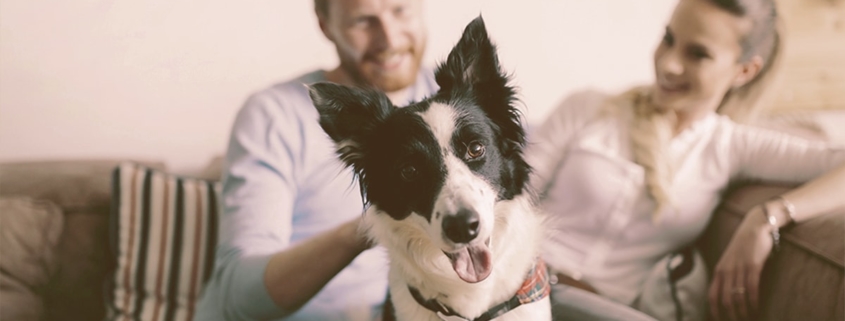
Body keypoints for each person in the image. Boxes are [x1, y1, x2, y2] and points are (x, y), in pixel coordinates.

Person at [526, 0, 845, 320]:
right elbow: (509, 198)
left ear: (745, 71)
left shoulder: (731, 147)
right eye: (668, 39)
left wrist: (769, 216)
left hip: (608, 311)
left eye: (698, 54)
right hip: (524, 286)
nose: (669, 64)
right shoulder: (586, 108)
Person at [193, 0, 438, 320]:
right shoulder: (274, 115)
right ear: (325, 24)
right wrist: (375, 224)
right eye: (363, 21)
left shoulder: (455, 99)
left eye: (400, 9)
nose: (389, 39)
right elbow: (239, 297)